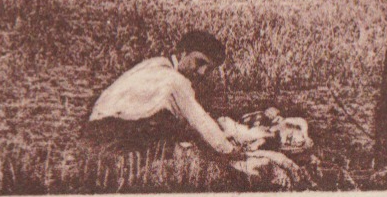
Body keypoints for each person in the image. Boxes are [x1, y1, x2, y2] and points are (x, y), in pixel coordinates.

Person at [87, 30, 271, 156]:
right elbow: (200, 121)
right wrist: (231, 151)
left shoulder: (154, 64)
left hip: (97, 126)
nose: (202, 73)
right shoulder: (175, 80)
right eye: (200, 62)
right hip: (110, 132)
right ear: (182, 53)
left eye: (209, 69)